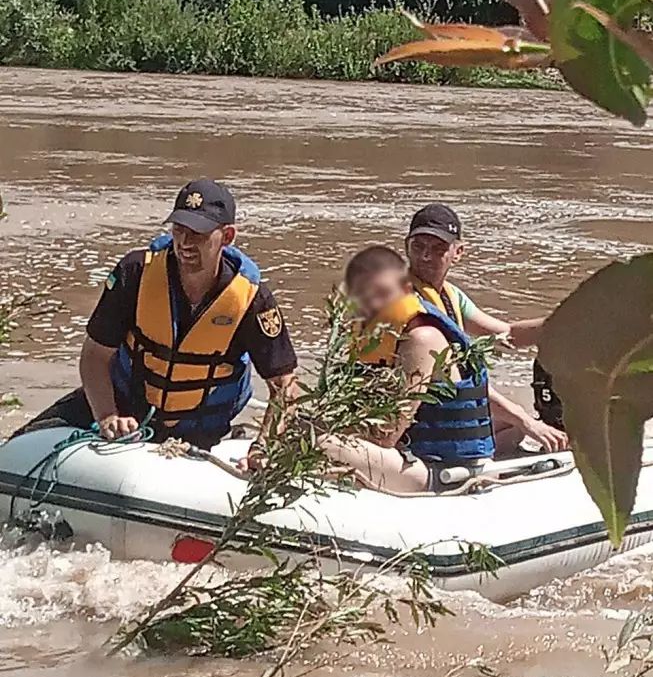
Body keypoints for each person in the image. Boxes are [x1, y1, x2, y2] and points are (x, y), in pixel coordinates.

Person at [15, 179, 297, 470]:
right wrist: (108, 416)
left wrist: (265, 447)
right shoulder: (135, 273)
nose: (185, 243)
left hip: (198, 429)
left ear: (227, 237)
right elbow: (95, 356)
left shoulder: (252, 299)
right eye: (179, 230)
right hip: (122, 406)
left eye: (198, 233)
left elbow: (284, 385)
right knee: (15, 451)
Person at [318, 246, 495, 494]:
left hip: (438, 469)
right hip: (411, 457)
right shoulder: (379, 337)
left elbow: (388, 433)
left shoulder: (421, 340)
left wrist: (329, 431)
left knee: (323, 443)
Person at [405, 204, 567, 453]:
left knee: (512, 429)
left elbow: (507, 336)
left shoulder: (451, 296)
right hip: (416, 419)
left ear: (458, 252)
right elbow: (459, 382)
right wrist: (524, 420)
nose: (425, 257)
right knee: (518, 423)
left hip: (440, 409)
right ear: (406, 246)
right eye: (418, 247)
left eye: (438, 249)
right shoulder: (405, 304)